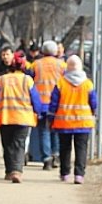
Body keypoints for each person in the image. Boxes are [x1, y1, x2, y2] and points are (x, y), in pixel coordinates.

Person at [0, 52, 43, 182]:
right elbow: (35, 98)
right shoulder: (27, 80)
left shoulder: (2, 79)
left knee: (7, 144)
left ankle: (9, 171)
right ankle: (17, 171)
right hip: (23, 117)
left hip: (5, 116)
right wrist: (38, 111)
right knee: (19, 144)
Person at [49, 54, 98, 184]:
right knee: (81, 149)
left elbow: (54, 103)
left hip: (64, 122)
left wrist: (51, 116)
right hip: (83, 122)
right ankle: (79, 175)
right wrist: (93, 112)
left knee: (65, 148)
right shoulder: (88, 84)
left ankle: (65, 173)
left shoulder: (60, 83)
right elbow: (94, 102)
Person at [30, 40, 66, 170]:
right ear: (55, 51)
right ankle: (56, 154)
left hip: (40, 103)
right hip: (57, 104)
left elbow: (29, 82)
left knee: (43, 131)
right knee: (56, 130)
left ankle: (46, 159)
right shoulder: (62, 66)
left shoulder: (36, 65)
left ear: (42, 51)